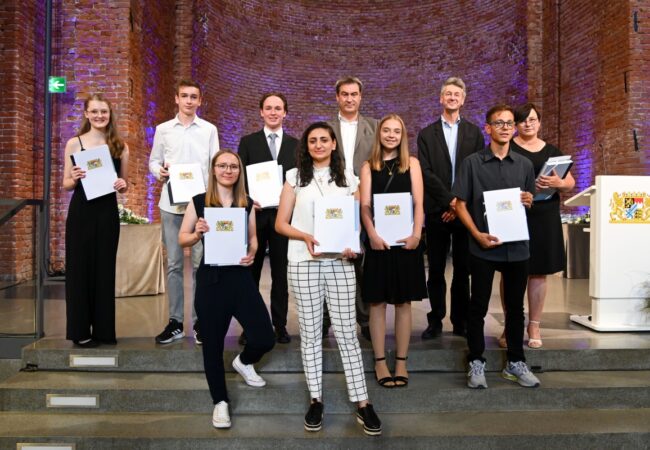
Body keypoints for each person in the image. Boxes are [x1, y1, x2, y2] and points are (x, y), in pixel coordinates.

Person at [275, 122, 381, 436]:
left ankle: (362, 402)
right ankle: (316, 400)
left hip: (339, 263)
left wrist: (353, 244)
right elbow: (281, 223)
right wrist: (305, 235)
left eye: (324, 139)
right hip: (302, 262)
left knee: (348, 332)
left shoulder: (350, 179)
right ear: (306, 147)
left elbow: (356, 221)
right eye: (312, 141)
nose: (318, 144)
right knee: (310, 333)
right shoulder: (294, 178)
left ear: (334, 144)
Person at [178, 149, 275, 429]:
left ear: (239, 171)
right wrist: (197, 233)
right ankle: (219, 402)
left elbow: (254, 239)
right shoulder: (198, 202)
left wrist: (253, 253)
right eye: (222, 166)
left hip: (240, 277)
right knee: (212, 345)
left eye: (233, 166)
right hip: (211, 280)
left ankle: (244, 362)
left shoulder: (246, 204)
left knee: (264, 337)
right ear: (214, 170)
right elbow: (183, 238)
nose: (228, 170)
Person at [453, 104, 541, 389]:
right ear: (487, 128)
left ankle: (516, 361)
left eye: (509, 123)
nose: (505, 127)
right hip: (483, 246)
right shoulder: (472, 163)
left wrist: (529, 200)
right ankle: (476, 360)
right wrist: (477, 234)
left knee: (516, 308)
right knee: (477, 306)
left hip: (516, 247)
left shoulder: (525, 165)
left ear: (514, 128)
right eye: (498, 123)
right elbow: (460, 204)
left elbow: (527, 201)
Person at [497, 103, 575, 349]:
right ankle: (511, 325)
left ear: (539, 122)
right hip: (516, 213)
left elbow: (570, 183)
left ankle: (534, 324)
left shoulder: (552, 151)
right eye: (522, 120)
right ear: (516, 125)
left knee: (538, 271)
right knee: (511, 271)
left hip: (544, 215)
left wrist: (557, 182)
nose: (528, 124)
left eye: (532, 119)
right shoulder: (508, 148)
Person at [148, 79, 219, 345]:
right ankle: (175, 322)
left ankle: (201, 321)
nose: (189, 101)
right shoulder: (163, 129)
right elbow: (153, 161)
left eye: (194, 97)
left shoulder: (209, 130)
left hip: (200, 205)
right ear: (176, 99)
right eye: (184, 96)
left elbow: (215, 164)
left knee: (202, 264)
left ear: (200, 101)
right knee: (175, 265)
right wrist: (160, 172)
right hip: (171, 204)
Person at [360, 114, 427, 388]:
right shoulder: (368, 166)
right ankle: (379, 361)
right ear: (379, 134)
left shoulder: (412, 164)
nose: (390, 135)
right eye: (386, 130)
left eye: (396, 131)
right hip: (379, 243)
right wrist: (372, 235)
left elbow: (419, 204)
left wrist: (416, 235)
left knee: (403, 303)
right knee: (377, 303)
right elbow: (364, 206)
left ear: (402, 136)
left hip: (406, 243)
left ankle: (401, 361)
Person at [417, 77, 484, 339]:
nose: (452, 97)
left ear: (463, 99)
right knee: (435, 269)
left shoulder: (475, 133)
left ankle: (460, 320)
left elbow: (477, 170)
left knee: (462, 270)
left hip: (465, 211)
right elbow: (425, 172)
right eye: (448, 93)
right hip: (437, 211)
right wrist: (449, 201)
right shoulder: (426, 134)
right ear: (441, 99)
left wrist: (459, 204)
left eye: (457, 94)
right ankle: (435, 320)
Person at [63, 93, 129, 347]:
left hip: (107, 214)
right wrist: (75, 178)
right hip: (81, 212)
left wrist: (123, 184)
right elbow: (66, 185)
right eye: (95, 111)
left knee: (104, 270)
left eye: (104, 112)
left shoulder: (119, 145)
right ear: (86, 114)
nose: (100, 116)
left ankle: (103, 331)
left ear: (109, 115)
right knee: (79, 270)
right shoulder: (74, 144)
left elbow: (123, 186)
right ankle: (80, 332)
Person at [238, 93, 298, 344]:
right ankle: (250, 325)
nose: (273, 112)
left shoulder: (296, 145)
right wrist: (249, 199)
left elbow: (299, 181)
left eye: (278, 108)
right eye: (268, 108)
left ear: (285, 113)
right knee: (250, 272)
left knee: (281, 273)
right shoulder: (248, 142)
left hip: (284, 218)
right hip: (256, 215)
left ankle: (280, 325)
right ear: (261, 112)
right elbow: (238, 178)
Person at [327, 76, 378, 341]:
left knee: (364, 261)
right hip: (332, 202)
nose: (349, 99)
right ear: (337, 97)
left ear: (360, 96)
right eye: (344, 94)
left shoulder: (375, 126)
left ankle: (365, 319)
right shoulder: (324, 127)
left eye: (354, 94)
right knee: (329, 258)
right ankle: (326, 319)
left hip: (365, 201)